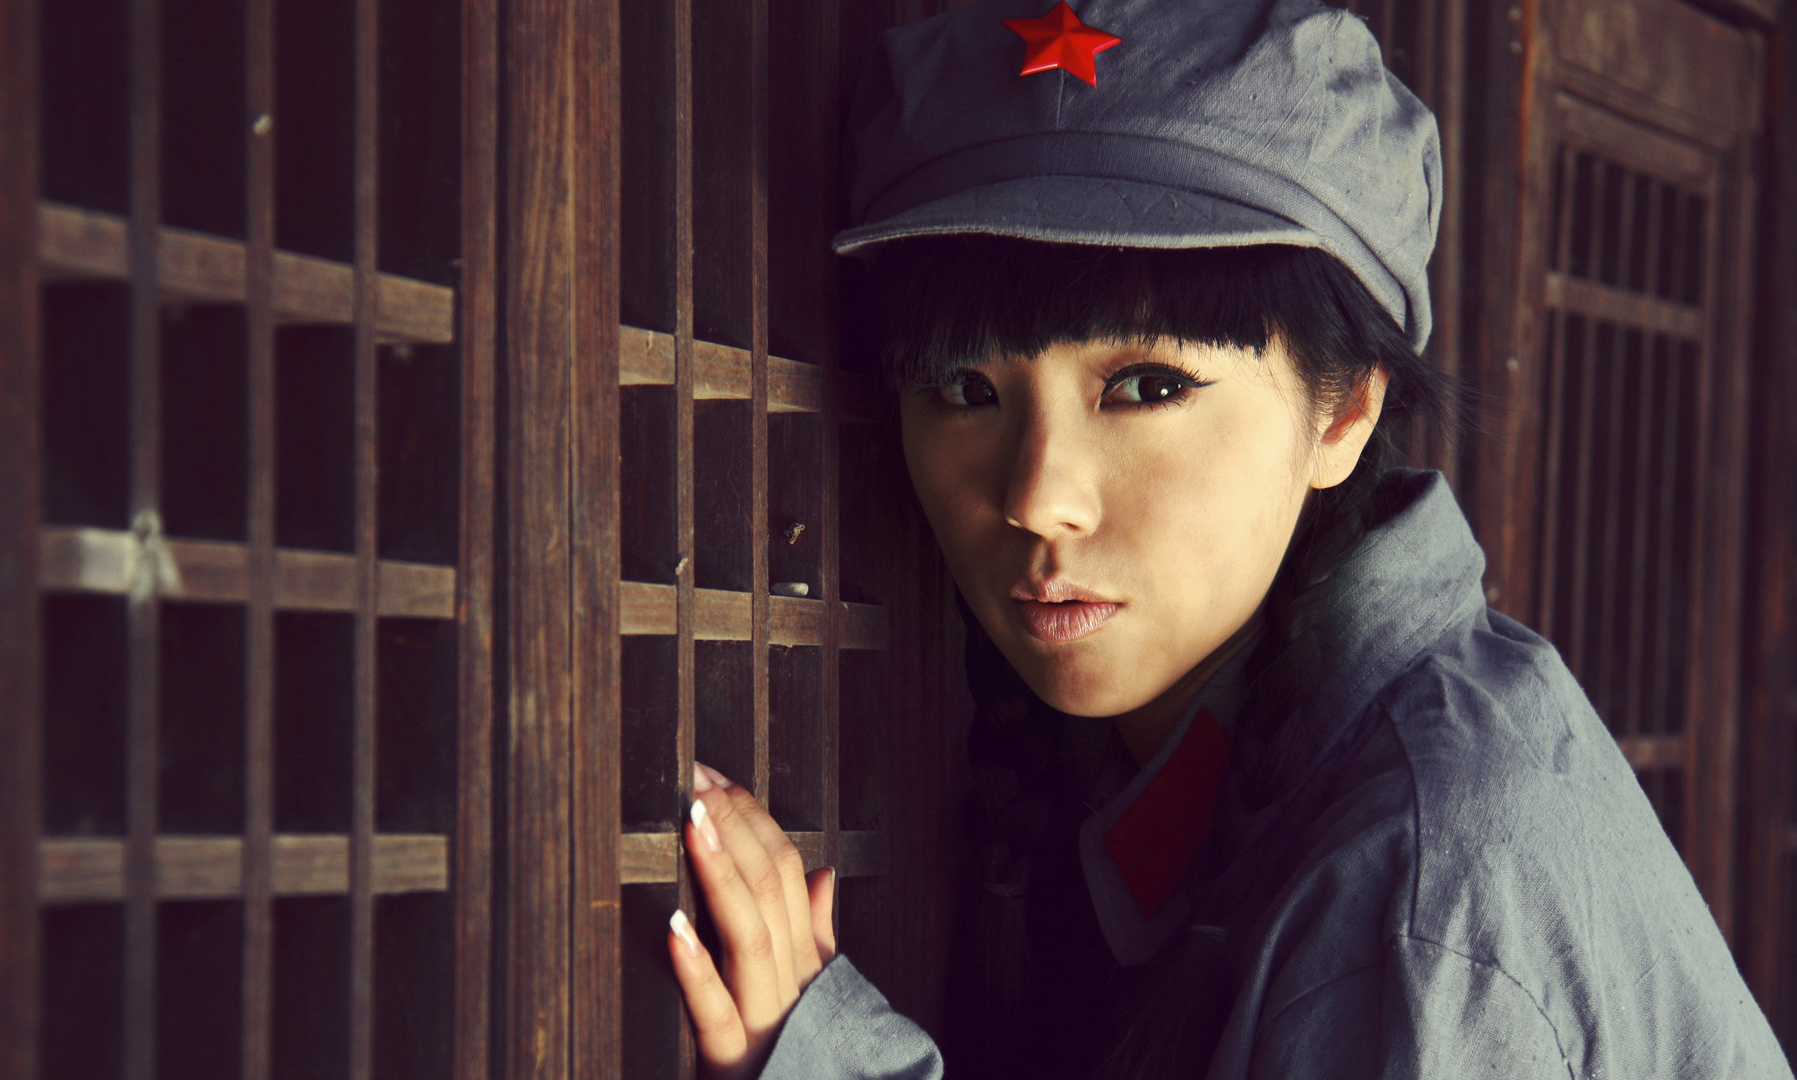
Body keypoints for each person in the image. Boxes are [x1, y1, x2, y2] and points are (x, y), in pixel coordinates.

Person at [664, 1, 1796, 1077]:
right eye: (965, 388)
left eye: (1148, 387)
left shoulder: (1426, 899)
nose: (1038, 499)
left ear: (1344, 410)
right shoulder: (1159, 753)